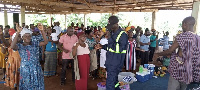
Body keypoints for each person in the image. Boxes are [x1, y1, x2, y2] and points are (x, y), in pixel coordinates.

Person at [153, 16, 200, 90]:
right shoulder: (198, 38)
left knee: (173, 87)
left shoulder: (182, 36)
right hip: (189, 71)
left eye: (182, 25)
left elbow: (170, 50)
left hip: (178, 70)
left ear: (185, 24)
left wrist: (157, 54)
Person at [11, 23, 48, 90]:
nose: (28, 37)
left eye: (29, 36)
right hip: (26, 70)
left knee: (37, 85)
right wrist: (18, 32)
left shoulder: (35, 44)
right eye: (25, 36)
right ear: (22, 37)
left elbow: (45, 42)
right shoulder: (20, 46)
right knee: (27, 85)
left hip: (36, 68)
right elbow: (12, 46)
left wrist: (42, 31)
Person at [98, 16, 128, 90]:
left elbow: (120, 49)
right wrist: (102, 46)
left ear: (117, 24)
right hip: (110, 61)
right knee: (114, 81)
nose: (110, 28)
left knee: (110, 83)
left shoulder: (122, 34)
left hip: (116, 62)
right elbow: (110, 46)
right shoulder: (112, 33)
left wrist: (110, 39)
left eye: (111, 26)